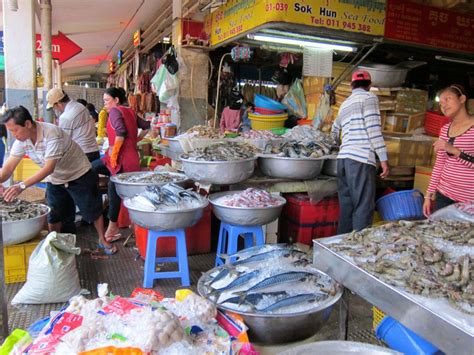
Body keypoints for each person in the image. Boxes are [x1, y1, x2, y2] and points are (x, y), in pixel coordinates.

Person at [0, 106, 116, 254]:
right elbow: (8, 169)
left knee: (92, 211)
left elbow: (48, 168)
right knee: (54, 214)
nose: (13, 135)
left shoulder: (51, 133)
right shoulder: (21, 141)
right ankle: (55, 245)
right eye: (10, 131)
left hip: (79, 173)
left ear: (28, 124)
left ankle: (102, 239)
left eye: (15, 130)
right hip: (55, 179)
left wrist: (21, 186)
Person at [331, 70, 390, 233]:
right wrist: (383, 159)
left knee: (347, 208)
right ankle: (358, 249)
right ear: (369, 85)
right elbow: (373, 129)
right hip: (361, 160)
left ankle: (341, 247)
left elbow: (334, 130)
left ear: (352, 85)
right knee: (363, 207)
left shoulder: (345, 103)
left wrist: (341, 145)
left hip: (342, 160)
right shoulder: (369, 98)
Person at [91, 87, 150, 242]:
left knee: (113, 187)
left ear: (116, 100)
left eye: (106, 101)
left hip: (122, 159)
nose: (104, 104)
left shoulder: (116, 111)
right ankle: (114, 222)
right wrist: (135, 141)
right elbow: (147, 126)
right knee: (93, 169)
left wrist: (115, 153)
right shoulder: (129, 111)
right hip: (131, 158)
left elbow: (121, 132)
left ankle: (112, 226)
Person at [423, 84, 474, 216]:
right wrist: (428, 195)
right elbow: (439, 164)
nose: (443, 105)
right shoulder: (445, 129)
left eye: (448, 99)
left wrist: (454, 150)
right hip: (444, 195)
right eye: (440, 103)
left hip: (469, 201)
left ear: (462, 99)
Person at [46, 88, 99, 162]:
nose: (56, 110)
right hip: (94, 151)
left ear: (59, 104)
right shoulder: (80, 106)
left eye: (54, 107)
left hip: (82, 155)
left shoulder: (65, 117)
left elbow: (64, 143)